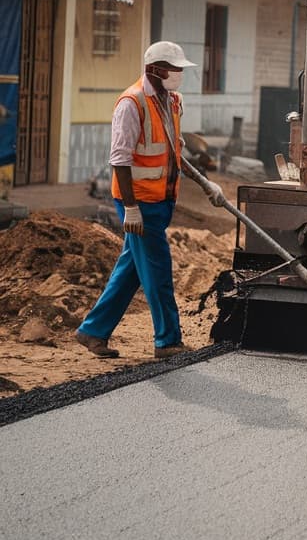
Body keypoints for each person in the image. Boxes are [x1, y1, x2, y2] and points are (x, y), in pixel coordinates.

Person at [75, 41, 226, 359]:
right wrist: (131, 208)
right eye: (174, 69)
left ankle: (93, 331)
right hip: (139, 203)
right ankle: (168, 341)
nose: (179, 74)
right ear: (155, 70)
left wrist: (206, 183)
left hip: (162, 200)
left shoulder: (172, 101)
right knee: (158, 270)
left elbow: (174, 151)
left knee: (131, 268)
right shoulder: (131, 103)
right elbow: (119, 159)